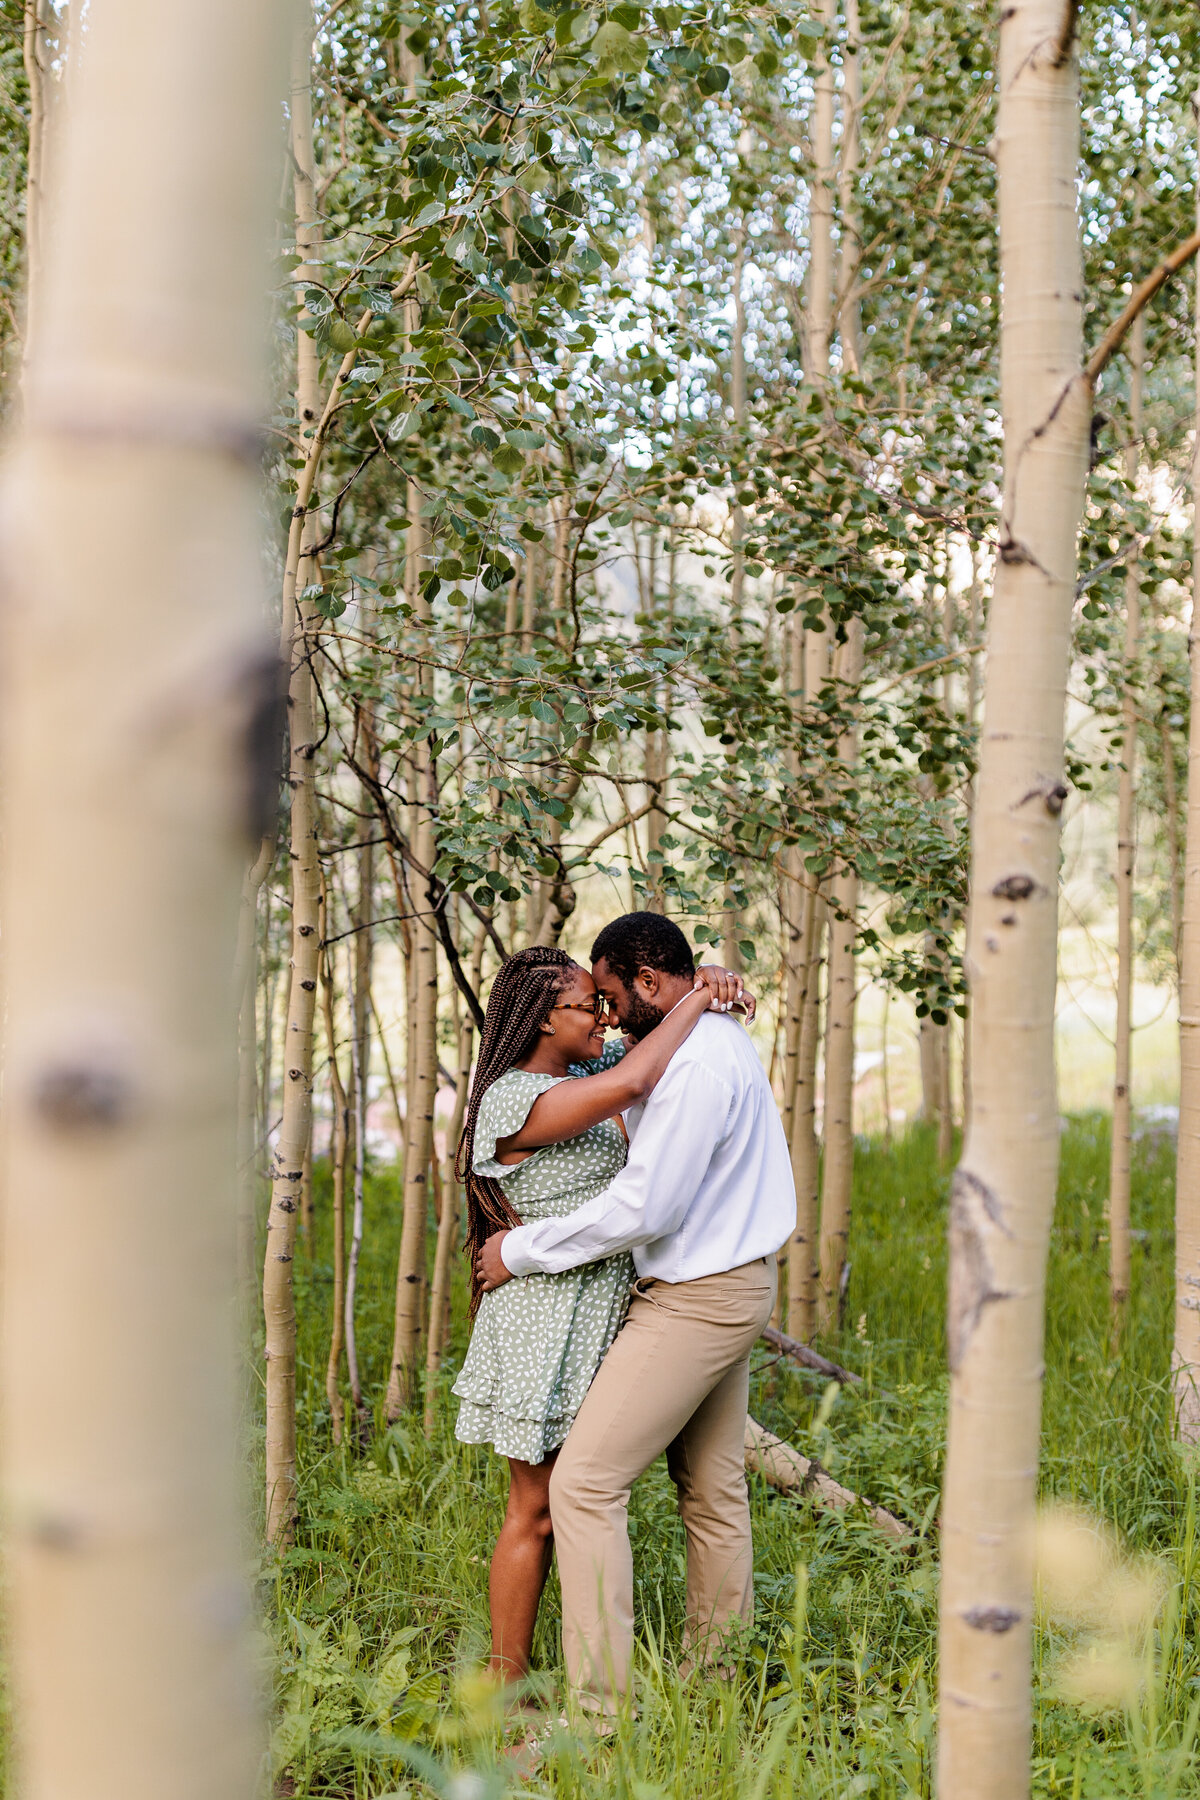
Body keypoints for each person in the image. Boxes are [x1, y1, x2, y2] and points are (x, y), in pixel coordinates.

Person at [476, 912, 796, 1719]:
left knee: (583, 1486)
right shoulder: (693, 1042)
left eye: (612, 996)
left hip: (696, 1297)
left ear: (648, 985)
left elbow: (645, 1206)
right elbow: (626, 1076)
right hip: (721, 1286)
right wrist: (704, 989)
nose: (610, 1015)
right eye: (595, 1004)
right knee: (712, 1489)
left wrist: (518, 1251)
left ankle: (597, 1715)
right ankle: (715, 1689)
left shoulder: (691, 1062)